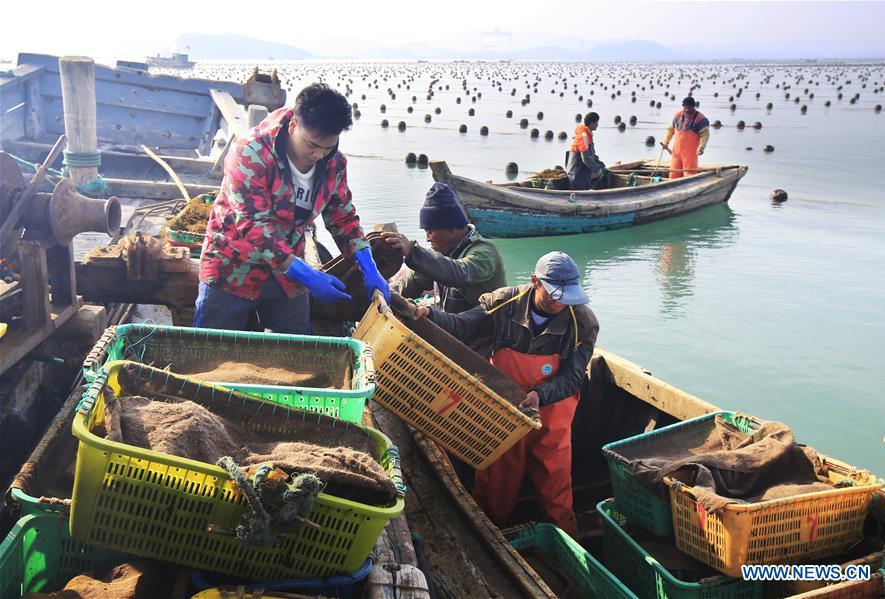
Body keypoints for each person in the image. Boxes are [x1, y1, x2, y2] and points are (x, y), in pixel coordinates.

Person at [413, 252, 599, 537]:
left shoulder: (583, 322)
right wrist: (432, 315)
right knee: (498, 476)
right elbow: (461, 324)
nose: (560, 303)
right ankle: (490, 534)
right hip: (505, 407)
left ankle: (565, 538)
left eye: (567, 297)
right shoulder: (503, 302)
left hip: (552, 409)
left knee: (555, 479)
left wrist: (540, 394)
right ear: (535, 282)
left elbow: (573, 376)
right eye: (553, 296)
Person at [194, 83, 390, 333]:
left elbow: (343, 218)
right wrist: (305, 274)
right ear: (294, 125)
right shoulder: (251, 151)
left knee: (298, 353)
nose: (319, 155)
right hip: (232, 268)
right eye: (312, 145)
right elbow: (253, 224)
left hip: (286, 278)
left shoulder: (334, 163)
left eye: (328, 147)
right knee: (210, 350)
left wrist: (367, 264)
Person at [383, 182, 507, 315]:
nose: (427, 239)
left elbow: (459, 273)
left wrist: (413, 252)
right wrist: (383, 292)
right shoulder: (443, 253)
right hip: (456, 327)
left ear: (451, 228)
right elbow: (416, 281)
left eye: (430, 231)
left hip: (487, 330)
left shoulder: (485, 251)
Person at [661, 96, 710, 179]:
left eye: (689, 108)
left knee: (689, 176)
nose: (687, 110)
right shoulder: (678, 115)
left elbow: (705, 135)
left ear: (693, 107)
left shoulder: (700, 119)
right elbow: (671, 129)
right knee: (673, 176)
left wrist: (701, 147)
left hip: (690, 155)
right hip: (676, 153)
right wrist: (666, 142)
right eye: (685, 107)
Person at [566, 112, 606, 190]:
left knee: (603, 170)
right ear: (591, 123)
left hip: (581, 169)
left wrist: (601, 165)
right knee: (602, 173)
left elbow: (592, 156)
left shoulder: (588, 134)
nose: (597, 124)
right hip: (577, 173)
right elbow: (586, 159)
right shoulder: (584, 136)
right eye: (596, 122)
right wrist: (598, 169)